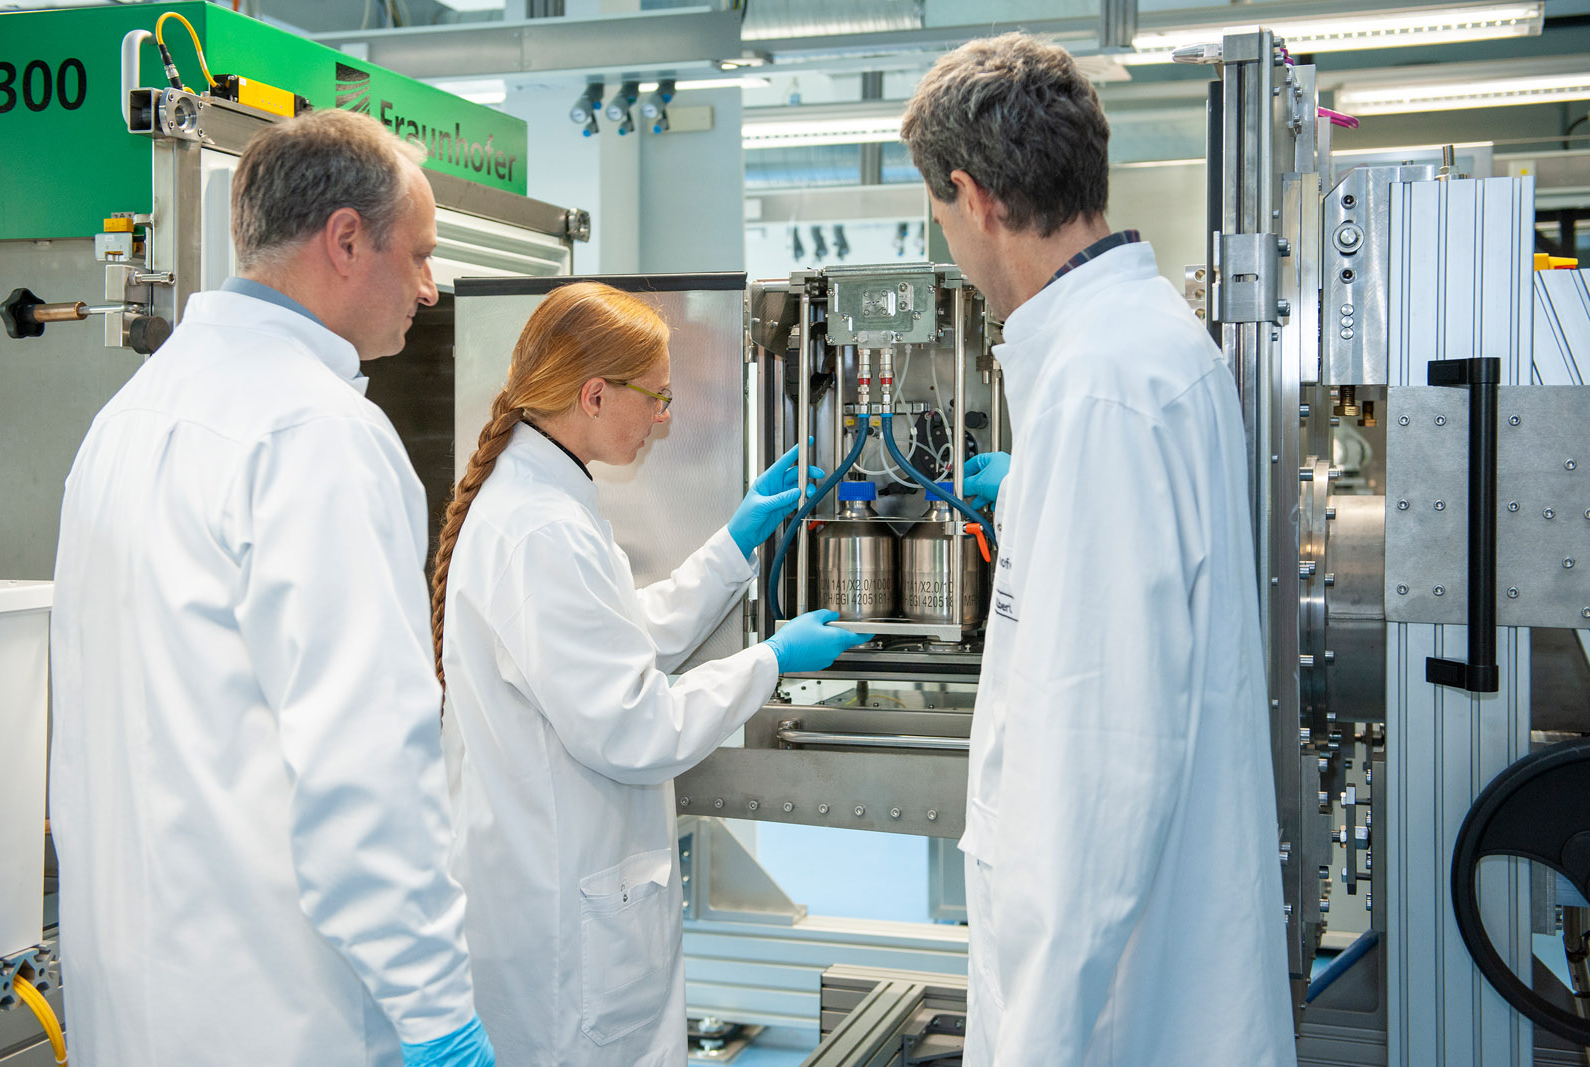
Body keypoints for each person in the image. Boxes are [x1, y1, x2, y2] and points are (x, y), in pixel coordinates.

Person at [49, 109, 494, 1067]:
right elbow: (363, 762)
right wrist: (436, 1013)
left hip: (130, 1002)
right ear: (344, 240)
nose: (429, 286)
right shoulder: (315, 433)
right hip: (281, 1012)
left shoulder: (127, 418)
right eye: (417, 254)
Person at [900, 33, 1296, 1067]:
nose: (949, 240)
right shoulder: (1131, 346)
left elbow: (1090, 781)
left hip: (1115, 1014)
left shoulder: (1100, 388)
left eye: (940, 215)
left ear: (973, 195)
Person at [432, 280, 869, 1065]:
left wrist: (735, 544)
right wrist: (769, 661)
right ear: (595, 394)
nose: (665, 422)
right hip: (562, 933)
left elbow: (617, 636)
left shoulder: (549, 502)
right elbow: (634, 725)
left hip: (560, 896)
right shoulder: (538, 528)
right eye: (658, 400)